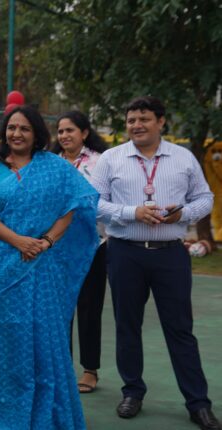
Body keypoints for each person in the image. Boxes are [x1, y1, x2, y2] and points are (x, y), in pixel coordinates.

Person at [90, 96, 219, 430]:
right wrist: (131, 212)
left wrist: (183, 214)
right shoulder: (111, 159)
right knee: (127, 325)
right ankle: (132, 391)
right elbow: (91, 202)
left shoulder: (183, 158)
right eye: (131, 120)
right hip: (125, 252)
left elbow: (205, 198)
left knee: (180, 329)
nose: (137, 125)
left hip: (170, 254)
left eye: (144, 119)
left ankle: (198, 403)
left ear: (161, 122)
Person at [0, 105, 99, 429]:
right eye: (12, 127)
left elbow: (73, 205)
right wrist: (19, 242)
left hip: (40, 262)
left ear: (36, 133)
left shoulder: (52, 166)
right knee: (2, 331)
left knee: (43, 331)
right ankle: (0, 408)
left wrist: (47, 241)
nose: (17, 134)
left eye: (24, 128)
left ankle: (44, 405)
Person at [54, 110, 109, 394]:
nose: (64, 136)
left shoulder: (100, 162)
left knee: (89, 309)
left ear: (84, 133)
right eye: (60, 131)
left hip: (92, 247)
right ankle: (62, 368)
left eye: (70, 130)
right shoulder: (51, 162)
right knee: (58, 310)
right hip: (56, 247)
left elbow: (104, 201)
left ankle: (90, 370)